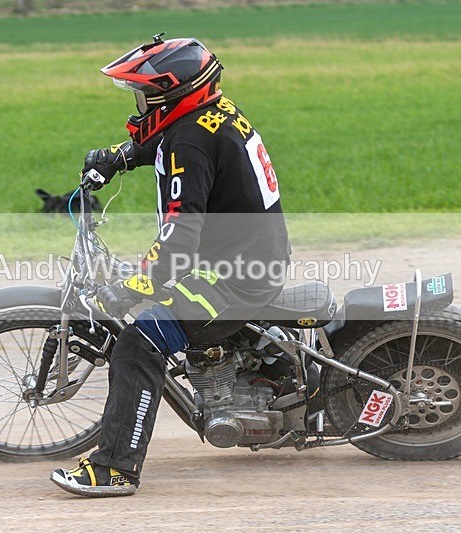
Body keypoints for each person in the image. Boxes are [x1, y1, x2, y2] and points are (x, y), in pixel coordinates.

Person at [50, 34, 290, 497]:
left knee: (139, 343)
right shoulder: (209, 116)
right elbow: (166, 141)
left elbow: (180, 236)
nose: (141, 106)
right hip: (247, 256)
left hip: (235, 276)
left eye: (146, 95)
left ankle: (116, 469)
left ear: (171, 95)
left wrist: (138, 286)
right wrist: (121, 156)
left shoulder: (190, 142)